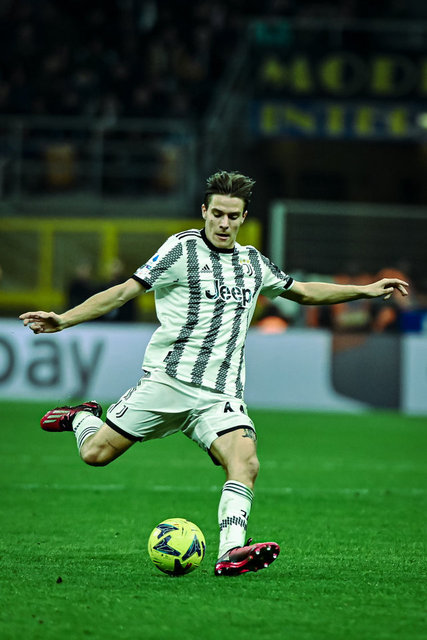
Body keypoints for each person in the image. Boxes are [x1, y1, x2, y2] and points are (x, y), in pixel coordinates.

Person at [19, 170, 409, 576]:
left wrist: (365, 291)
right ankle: (81, 417)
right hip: (168, 382)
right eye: (218, 214)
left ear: (243, 218)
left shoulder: (253, 263)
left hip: (220, 396)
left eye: (233, 216)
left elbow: (304, 291)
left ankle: (230, 552)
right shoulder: (181, 250)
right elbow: (123, 292)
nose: (224, 223)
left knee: (246, 462)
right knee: (95, 454)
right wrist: (64, 319)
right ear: (204, 211)